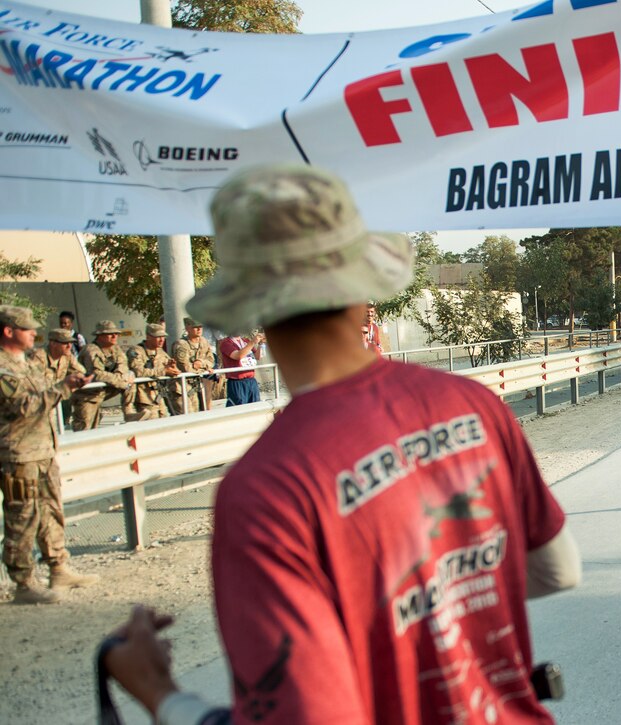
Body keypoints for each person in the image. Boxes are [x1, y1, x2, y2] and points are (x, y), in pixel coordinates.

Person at [102, 164, 581, 723]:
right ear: (360, 290)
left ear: (255, 307)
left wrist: (160, 694)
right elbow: (558, 570)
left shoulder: (266, 488)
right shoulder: (474, 405)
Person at [1, 306, 98, 604]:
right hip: (19, 456)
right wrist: (63, 389)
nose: (34, 333)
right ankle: (23, 582)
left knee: (51, 512)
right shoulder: (4, 368)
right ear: (8, 331)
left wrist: (67, 384)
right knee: (23, 517)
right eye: (27, 328)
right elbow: (24, 407)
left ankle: (58, 567)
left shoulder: (27, 363)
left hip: (42, 449)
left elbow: (41, 395)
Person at [71, 321, 134, 431]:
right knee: (85, 429)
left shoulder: (115, 349)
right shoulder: (91, 350)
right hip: (87, 396)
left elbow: (123, 365)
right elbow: (97, 374)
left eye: (116, 333)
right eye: (110, 334)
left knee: (131, 378)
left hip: (102, 391)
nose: (115, 336)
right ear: (100, 336)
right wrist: (121, 382)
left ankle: (128, 411)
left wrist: (122, 377)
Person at [124, 323, 180, 422]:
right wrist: (164, 371)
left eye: (163, 337)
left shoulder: (161, 352)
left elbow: (172, 369)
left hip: (160, 397)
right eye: (158, 337)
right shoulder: (136, 351)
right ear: (148, 337)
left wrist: (173, 368)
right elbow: (138, 371)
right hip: (145, 397)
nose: (161, 340)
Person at [171, 318, 217, 413]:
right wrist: (204, 369)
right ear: (188, 328)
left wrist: (201, 363)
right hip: (181, 387)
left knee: (197, 414)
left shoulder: (203, 341)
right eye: (195, 327)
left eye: (200, 327)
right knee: (186, 414)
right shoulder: (181, 344)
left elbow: (211, 360)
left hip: (195, 385)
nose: (199, 329)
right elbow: (185, 367)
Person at [219, 330, 264, 407]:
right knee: (239, 408)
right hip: (237, 382)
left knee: (255, 407)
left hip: (251, 380)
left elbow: (257, 356)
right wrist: (252, 342)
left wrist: (261, 343)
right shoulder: (226, 343)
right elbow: (238, 356)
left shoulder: (246, 341)